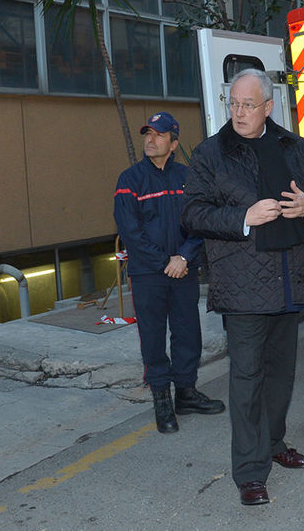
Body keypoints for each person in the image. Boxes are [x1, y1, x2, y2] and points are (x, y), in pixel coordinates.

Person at [182, 69, 304, 506]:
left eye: (248, 105)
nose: (239, 112)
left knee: (281, 375)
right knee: (247, 379)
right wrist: (242, 218)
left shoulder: (294, 146)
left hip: (290, 281)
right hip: (243, 285)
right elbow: (192, 213)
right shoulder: (212, 153)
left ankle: (273, 443)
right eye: (233, 104)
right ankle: (250, 472)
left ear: (269, 107)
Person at [113, 111, 225, 435]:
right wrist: (166, 261)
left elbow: (202, 219)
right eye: (148, 133)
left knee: (188, 332)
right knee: (152, 337)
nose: (151, 139)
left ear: (174, 143)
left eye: (159, 135)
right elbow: (130, 231)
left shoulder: (188, 178)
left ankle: (186, 393)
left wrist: (185, 257)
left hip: (184, 269)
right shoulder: (129, 180)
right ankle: (162, 398)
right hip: (149, 273)